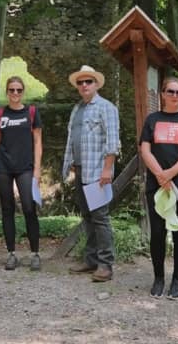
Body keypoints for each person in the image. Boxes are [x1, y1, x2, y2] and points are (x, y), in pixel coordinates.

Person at [140, 76, 178, 299]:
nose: (174, 96)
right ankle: (158, 278)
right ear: (162, 94)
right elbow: (145, 150)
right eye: (170, 91)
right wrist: (159, 174)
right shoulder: (152, 120)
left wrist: (170, 174)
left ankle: (177, 280)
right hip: (156, 185)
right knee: (157, 233)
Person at [62, 64, 120, 282]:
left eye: (89, 81)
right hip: (81, 170)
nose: (84, 85)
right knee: (87, 217)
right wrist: (68, 165)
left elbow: (112, 142)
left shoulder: (106, 108)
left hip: (97, 172)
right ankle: (91, 259)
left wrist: (107, 169)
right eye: (80, 82)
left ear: (96, 84)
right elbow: (71, 140)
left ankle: (106, 265)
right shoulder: (77, 109)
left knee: (100, 218)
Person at [0, 76, 44, 271]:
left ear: (23, 91)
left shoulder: (32, 112)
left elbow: (37, 142)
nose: (15, 93)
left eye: (18, 90)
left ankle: (35, 253)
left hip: (25, 166)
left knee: (28, 207)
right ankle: (11, 254)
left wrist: (37, 169)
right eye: (12, 90)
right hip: (2, 166)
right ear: (7, 92)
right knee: (7, 209)